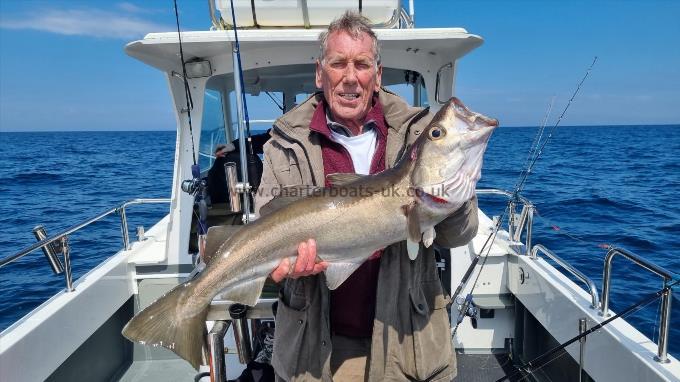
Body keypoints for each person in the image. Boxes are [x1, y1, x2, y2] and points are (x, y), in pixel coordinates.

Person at [255, 11, 478, 382]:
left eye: (361, 64)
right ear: (319, 72)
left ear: (377, 75)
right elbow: (269, 219)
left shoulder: (415, 134)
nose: (349, 78)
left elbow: (458, 236)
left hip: (407, 339)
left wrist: (455, 196)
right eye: (338, 63)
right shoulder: (286, 144)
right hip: (316, 347)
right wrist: (284, 266)